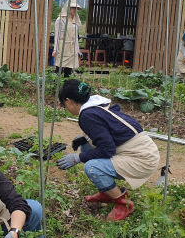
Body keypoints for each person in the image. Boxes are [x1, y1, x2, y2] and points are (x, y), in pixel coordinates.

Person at [56, 80, 160, 222]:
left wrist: (78, 157)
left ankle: (123, 204)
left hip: (141, 158)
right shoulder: (98, 104)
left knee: (92, 167)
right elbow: (110, 132)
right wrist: (86, 139)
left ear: (68, 101)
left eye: (63, 104)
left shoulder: (87, 115)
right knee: (87, 146)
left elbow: (107, 149)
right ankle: (106, 193)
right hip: (144, 149)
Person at [52, 0, 82, 78]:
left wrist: (78, 50)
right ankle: (55, 86)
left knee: (69, 70)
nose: (74, 10)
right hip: (62, 46)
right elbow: (57, 35)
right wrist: (55, 49)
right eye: (72, 8)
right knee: (59, 67)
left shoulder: (75, 21)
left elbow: (76, 37)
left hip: (72, 47)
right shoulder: (60, 20)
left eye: (75, 8)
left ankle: (66, 86)